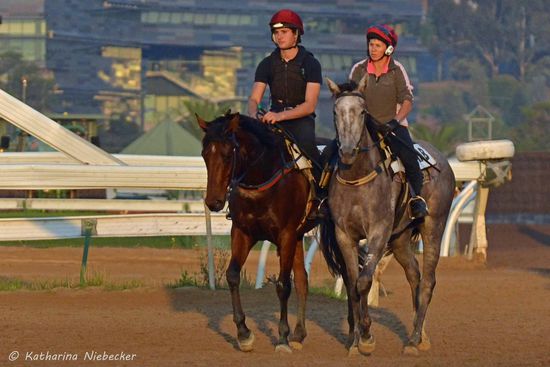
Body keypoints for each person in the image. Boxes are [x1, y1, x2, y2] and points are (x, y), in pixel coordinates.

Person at [349, 24, 429, 219]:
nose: (373, 49)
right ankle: (325, 198)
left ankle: (416, 199)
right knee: (334, 153)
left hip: (391, 127)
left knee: (410, 158)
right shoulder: (358, 69)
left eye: (377, 45)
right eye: (371, 45)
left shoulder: (397, 69)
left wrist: (395, 121)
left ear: (389, 48)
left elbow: (407, 101)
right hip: (363, 128)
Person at [247, 9, 323, 180]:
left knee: (308, 149)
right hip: (272, 118)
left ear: (296, 34)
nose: (279, 36)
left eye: (284, 32)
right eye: (276, 33)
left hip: (300, 119)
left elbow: (310, 105)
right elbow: (254, 98)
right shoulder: (266, 64)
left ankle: (321, 195)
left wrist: (280, 116)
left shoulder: (311, 64)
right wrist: (253, 114)